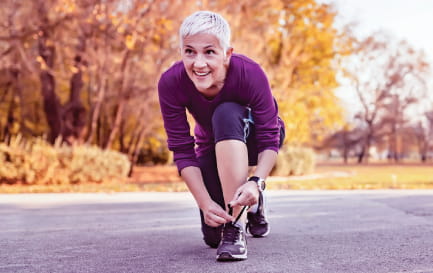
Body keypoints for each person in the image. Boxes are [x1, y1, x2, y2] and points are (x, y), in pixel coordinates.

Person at [158, 10, 285, 261]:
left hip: (254, 139)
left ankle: (236, 228)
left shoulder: (249, 72)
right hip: (211, 147)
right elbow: (183, 150)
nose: (199, 63)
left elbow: (270, 137)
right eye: (189, 51)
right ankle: (252, 206)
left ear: (227, 53)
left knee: (225, 113)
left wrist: (257, 181)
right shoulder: (170, 83)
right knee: (212, 235)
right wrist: (205, 203)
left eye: (209, 52)